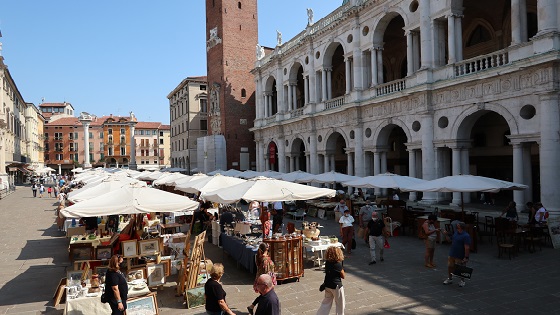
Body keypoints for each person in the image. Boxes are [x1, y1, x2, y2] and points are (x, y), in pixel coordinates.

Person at [247, 244, 277, 314]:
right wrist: (270, 283)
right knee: (267, 295)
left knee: (264, 295)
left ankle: (252, 306)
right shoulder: (265, 259)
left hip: (262, 279)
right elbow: (267, 272)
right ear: (266, 249)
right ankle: (255, 307)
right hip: (267, 281)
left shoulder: (261, 257)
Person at [316, 246, 345, 315]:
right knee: (340, 305)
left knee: (326, 303)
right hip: (337, 286)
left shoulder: (327, 263)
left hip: (327, 285)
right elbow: (343, 276)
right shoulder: (337, 264)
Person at [442, 221, 471, 287]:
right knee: (450, 267)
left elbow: (467, 247)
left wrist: (466, 257)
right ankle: (450, 278)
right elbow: (449, 240)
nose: (456, 226)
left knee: (461, 268)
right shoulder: (455, 233)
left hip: (460, 255)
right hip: (452, 253)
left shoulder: (466, 236)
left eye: (457, 225)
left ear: (460, 227)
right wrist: (446, 234)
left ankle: (462, 281)